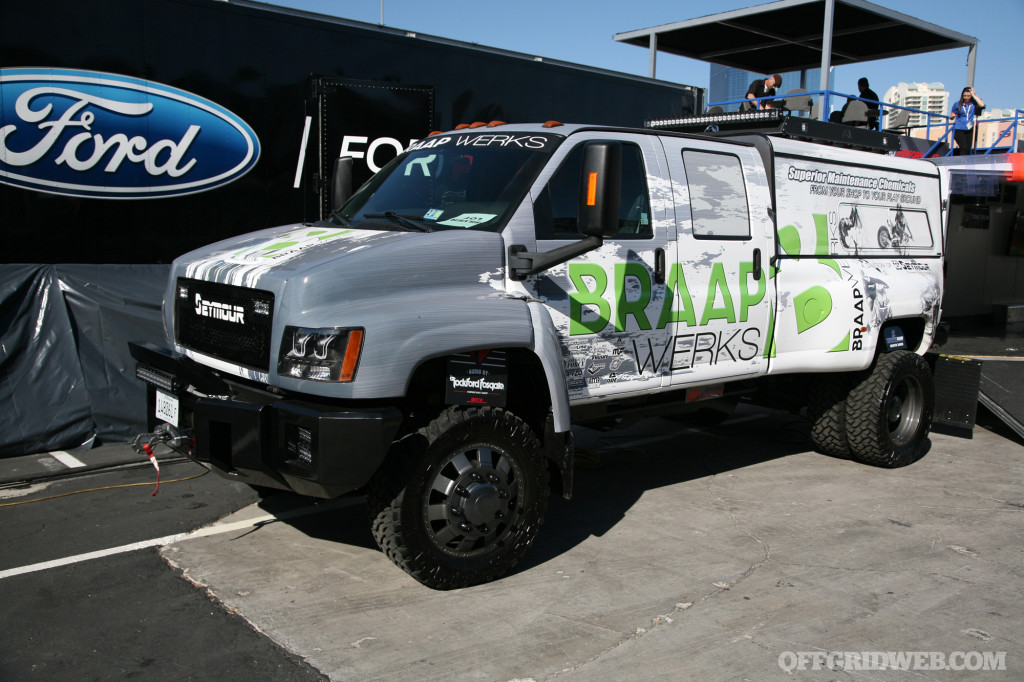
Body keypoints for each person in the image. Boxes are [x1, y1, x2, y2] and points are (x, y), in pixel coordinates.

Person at [949, 86, 985, 155]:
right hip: (959, 128)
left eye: (968, 96)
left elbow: (982, 105)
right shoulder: (957, 104)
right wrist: (952, 116)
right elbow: (952, 115)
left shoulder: (973, 104)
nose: (966, 97)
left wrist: (974, 95)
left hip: (969, 128)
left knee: (968, 149)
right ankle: (962, 163)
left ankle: (966, 163)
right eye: (964, 95)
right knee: (963, 147)